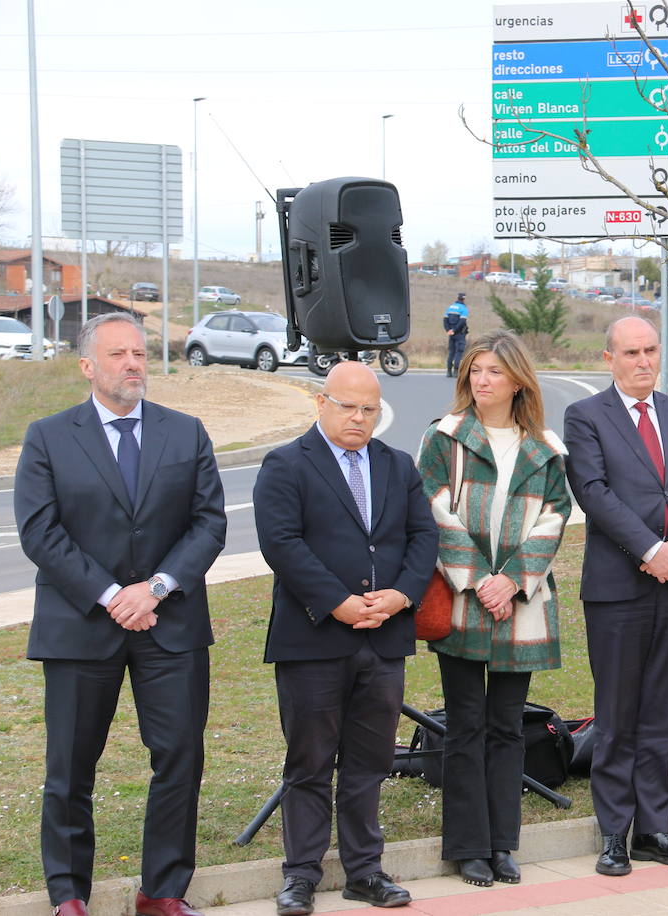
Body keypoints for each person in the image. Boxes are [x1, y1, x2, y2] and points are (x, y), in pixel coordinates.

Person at [15, 312, 227, 916]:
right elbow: (40, 532)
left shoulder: (185, 432)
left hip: (170, 624)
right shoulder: (48, 437)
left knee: (180, 758)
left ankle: (162, 892)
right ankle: (68, 896)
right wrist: (112, 595)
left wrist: (154, 588)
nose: (133, 364)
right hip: (80, 625)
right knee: (70, 766)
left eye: (139, 353)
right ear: (88, 366)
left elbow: (209, 523)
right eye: (117, 355)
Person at [254, 360, 438, 916]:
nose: (359, 418)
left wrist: (401, 596)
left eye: (369, 409)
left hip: (383, 638)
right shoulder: (286, 463)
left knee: (369, 762)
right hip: (313, 639)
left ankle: (365, 871)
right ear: (321, 402)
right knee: (309, 762)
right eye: (348, 407)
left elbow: (422, 536)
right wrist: (336, 602)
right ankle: (301, 876)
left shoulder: (397, 465)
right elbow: (281, 543)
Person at [563, 315, 668, 876]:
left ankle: (655, 828)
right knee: (617, 714)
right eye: (630, 352)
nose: (643, 361)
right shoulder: (585, 416)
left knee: (662, 712)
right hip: (618, 587)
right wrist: (650, 549)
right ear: (609, 358)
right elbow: (593, 491)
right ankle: (614, 833)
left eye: (650, 350)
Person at [416, 331, 572, 887]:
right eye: (475, 370)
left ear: (517, 382)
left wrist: (512, 582)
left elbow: (555, 516)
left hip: (520, 604)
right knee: (465, 724)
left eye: (494, 372)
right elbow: (433, 511)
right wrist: (481, 580)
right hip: (462, 600)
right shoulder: (445, 437)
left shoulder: (545, 448)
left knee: (507, 726)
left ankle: (503, 843)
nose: (482, 380)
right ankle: (467, 847)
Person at [445, 293, 469, 377]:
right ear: (464, 299)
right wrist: (455, 330)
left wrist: (448, 330)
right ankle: (456, 371)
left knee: (451, 351)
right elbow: (462, 322)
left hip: (451, 334)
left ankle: (448, 371)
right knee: (459, 351)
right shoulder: (463, 308)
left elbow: (445, 320)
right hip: (459, 333)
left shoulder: (450, 307)